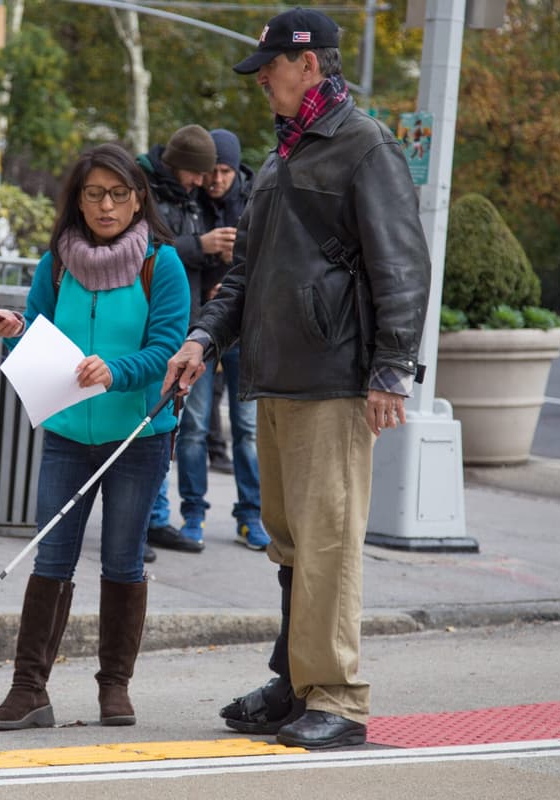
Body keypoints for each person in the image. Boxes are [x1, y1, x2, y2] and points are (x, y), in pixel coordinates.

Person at [165, 8, 430, 749]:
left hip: (336, 378)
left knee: (326, 543)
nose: (263, 86)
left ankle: (338, 698)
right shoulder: (285, 157)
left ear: (309, 66)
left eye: (271, 70)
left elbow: (403, 267)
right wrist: (201, 340)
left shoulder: (364, 147)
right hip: (278, 374)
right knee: (288, 543)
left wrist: (390, 372)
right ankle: (296, 683)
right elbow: (248, 273)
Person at [0, 143, 188, 730]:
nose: (105, 205)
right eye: (93, 194)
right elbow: (40, 342)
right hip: (69, 434)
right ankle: (28, 691)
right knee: (52, 557)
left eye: (118, 194)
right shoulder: (57, 264)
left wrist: (117, 371)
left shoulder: (161, 263)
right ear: (76, 200)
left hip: (138, 437)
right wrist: (13, 333)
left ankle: (114, 687)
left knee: (122, 560)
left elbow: (168, 350)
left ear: (138, 198)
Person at [174, 128, 269, 553]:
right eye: (211, 172)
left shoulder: (256, 200)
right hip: (200, 329)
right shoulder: (188, 200)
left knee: (247, 429)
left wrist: (238, 264)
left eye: (225, 171)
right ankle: (193, 513)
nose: (215, 180)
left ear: (236, 170)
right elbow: (163, 250)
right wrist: (204, 247)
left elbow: (274, 261)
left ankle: (251, 515)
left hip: (245, 331)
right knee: (193, 427)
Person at [134, 125, 221, 555]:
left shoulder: (192, 198)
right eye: (197, 174)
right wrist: (199, 244)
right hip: (150, 324)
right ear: (179, 166)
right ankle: (139, 521)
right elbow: (147, 249)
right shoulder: (143, 189)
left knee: (171, 427)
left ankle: (155, 518)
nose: (202, 183)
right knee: (147, 423)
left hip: (187, 324)